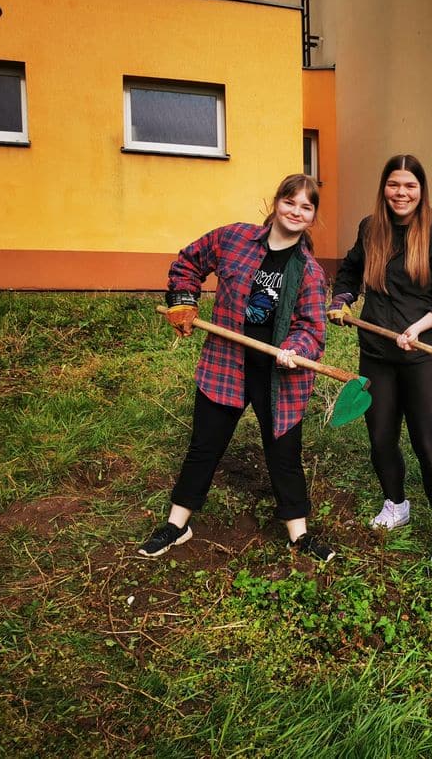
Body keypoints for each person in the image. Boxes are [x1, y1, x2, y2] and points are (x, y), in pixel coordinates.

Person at [138, 173, 333, 561]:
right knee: (204, 445)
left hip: (278, 375)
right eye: (290, 202)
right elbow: (189, 260)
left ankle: (299, 535)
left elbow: (312, 327)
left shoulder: (309, 271)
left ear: (312, 218)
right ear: (275, 203)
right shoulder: (233, 239)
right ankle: (177, 525)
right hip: (226, 363)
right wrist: (183, 299)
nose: (296, 211)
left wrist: (293, 349)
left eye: (306, 207)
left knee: (284, 453)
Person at [328, 154, 432, 569]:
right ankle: (397, 504)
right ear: (384, 188)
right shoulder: (371, 229)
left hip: (422, 356)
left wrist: (420, 327)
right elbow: (351, 270)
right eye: (394, 185)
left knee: (427, 443)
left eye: (409, 186)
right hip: (377, 350)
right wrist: (342, 298)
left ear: (421, 190)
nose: (401, 193)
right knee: (381, 438)